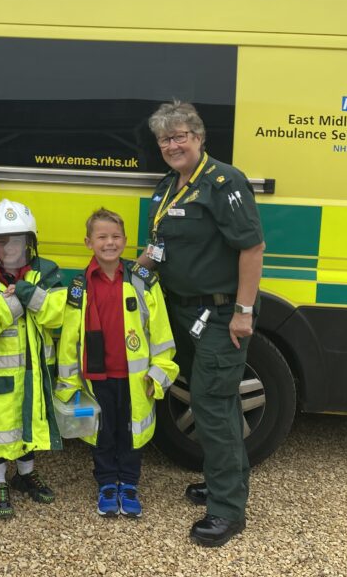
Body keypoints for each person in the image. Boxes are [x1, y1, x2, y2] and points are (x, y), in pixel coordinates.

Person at [139, 100, 265, 547]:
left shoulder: (222, 182)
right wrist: (129, 279)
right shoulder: (169, 185)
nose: (172, 145)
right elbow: (158, 248)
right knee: (212, 401)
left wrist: (244, 312)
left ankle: (228, 511)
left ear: (199, 137)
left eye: (180, 136)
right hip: (180, 311)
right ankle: (219, 482)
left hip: (218, 314)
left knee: (213, 409)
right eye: (164, 139)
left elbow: (252, 248)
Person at [56, 208, 179, 518]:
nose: (109, 243)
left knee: (131, 431)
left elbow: (161, 332)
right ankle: (107, 483)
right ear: (88, 242)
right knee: (103, 431)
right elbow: (70, 339)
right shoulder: (78, 286)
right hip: (96, 377)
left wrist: (159, 372)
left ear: (125, 241)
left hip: (135, 378)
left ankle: (130, 483)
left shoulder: (143, 281)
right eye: (102, 237)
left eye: (115, 237)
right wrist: (69, 382)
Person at [0, 199, 66, 518]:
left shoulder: (47, 274)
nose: (11, 248)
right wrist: (11, 304)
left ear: (31, 243)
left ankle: (26, 475)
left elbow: (57, 315)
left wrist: (26, 293)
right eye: (2, 241)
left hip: (35, 373)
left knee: (30, 425)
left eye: (19, 241)